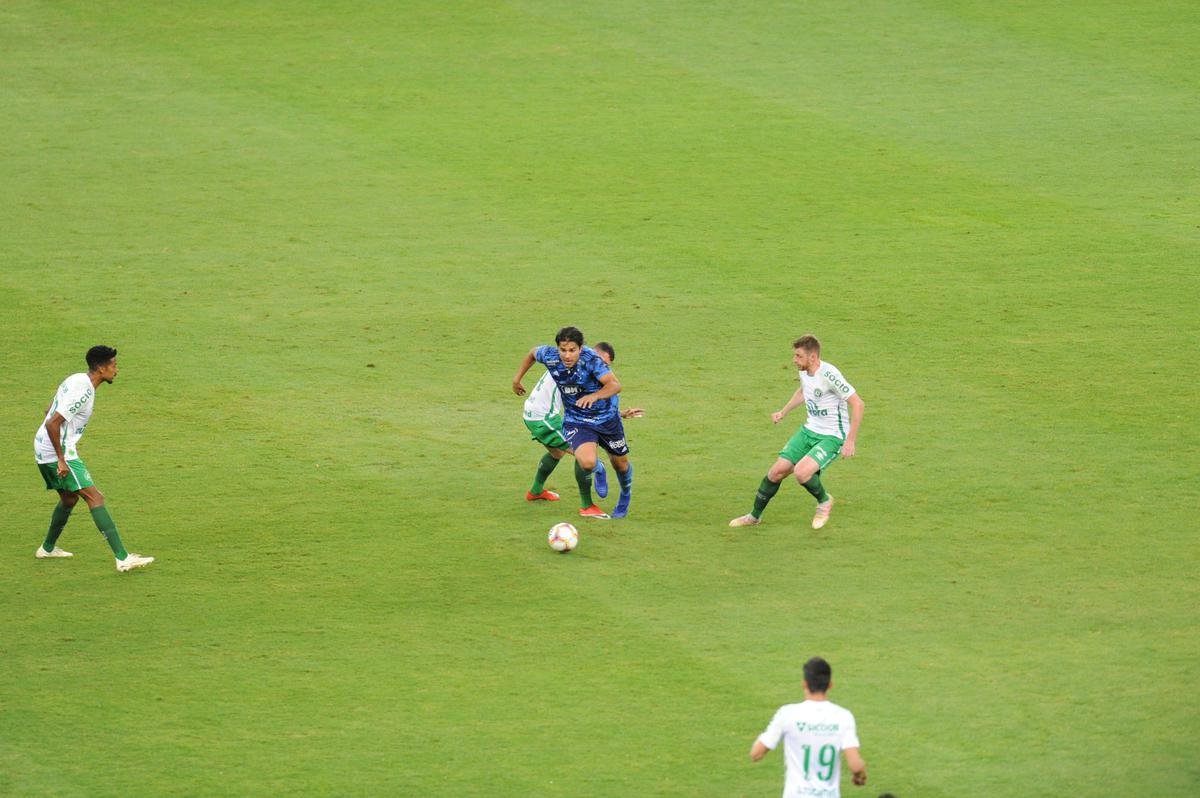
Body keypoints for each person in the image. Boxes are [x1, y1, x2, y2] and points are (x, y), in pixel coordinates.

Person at [33, 346, 154, 572]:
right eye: (113, 365)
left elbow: (49, 408)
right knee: (95, 497)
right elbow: (52, 422)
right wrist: (60, 459)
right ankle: (123, 558)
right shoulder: (84, 391)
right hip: (57, 451)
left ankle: (47, 549)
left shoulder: (76, 378)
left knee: (69, 499)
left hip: (41, 447)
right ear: (101, 368)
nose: (116, 370)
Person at [730, 335, 864, 530]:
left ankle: (824, 501)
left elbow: (858, 404)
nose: (794, 360)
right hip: (809, 430)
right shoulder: (805, 371)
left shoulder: (830, 375)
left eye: (798, 356)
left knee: (802, 473)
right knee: (776, 472)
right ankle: (754, 516)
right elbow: (803, 391)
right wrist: (783, 412)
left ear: (812, 357)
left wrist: (850, 440)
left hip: (832, 436)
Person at [512, 327, 635, 518]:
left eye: (572, 350)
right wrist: (516, 379)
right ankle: (588, 503)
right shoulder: (551, 357)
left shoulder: (593, 362)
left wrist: (596, 398)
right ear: (558, 348)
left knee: (620, 465)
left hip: (607, 420)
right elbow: (532, 353)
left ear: (581, 348)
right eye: (563, 350)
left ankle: (625, 495)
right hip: (576, 420)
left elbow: (615, 385)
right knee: (586, 461)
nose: (567, 355)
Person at [750, 656, 868, 797]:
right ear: (830, 684)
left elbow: (756, 754)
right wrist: (859, 775)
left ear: (804, 684)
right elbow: (855, 764)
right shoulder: (843, 716)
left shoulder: (787, 714)